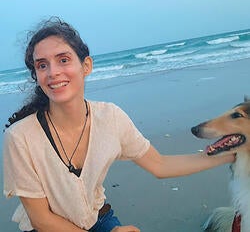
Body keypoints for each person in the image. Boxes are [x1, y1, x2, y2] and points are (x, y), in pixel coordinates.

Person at [3, 17, 235, 232]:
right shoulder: (21, 137)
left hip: (98, 219)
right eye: (42, 65)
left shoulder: (110, 118)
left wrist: (228, 155)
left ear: (86, 66)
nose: (53, 72)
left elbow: (160, 165)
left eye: (63, 60)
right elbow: (41, 218)